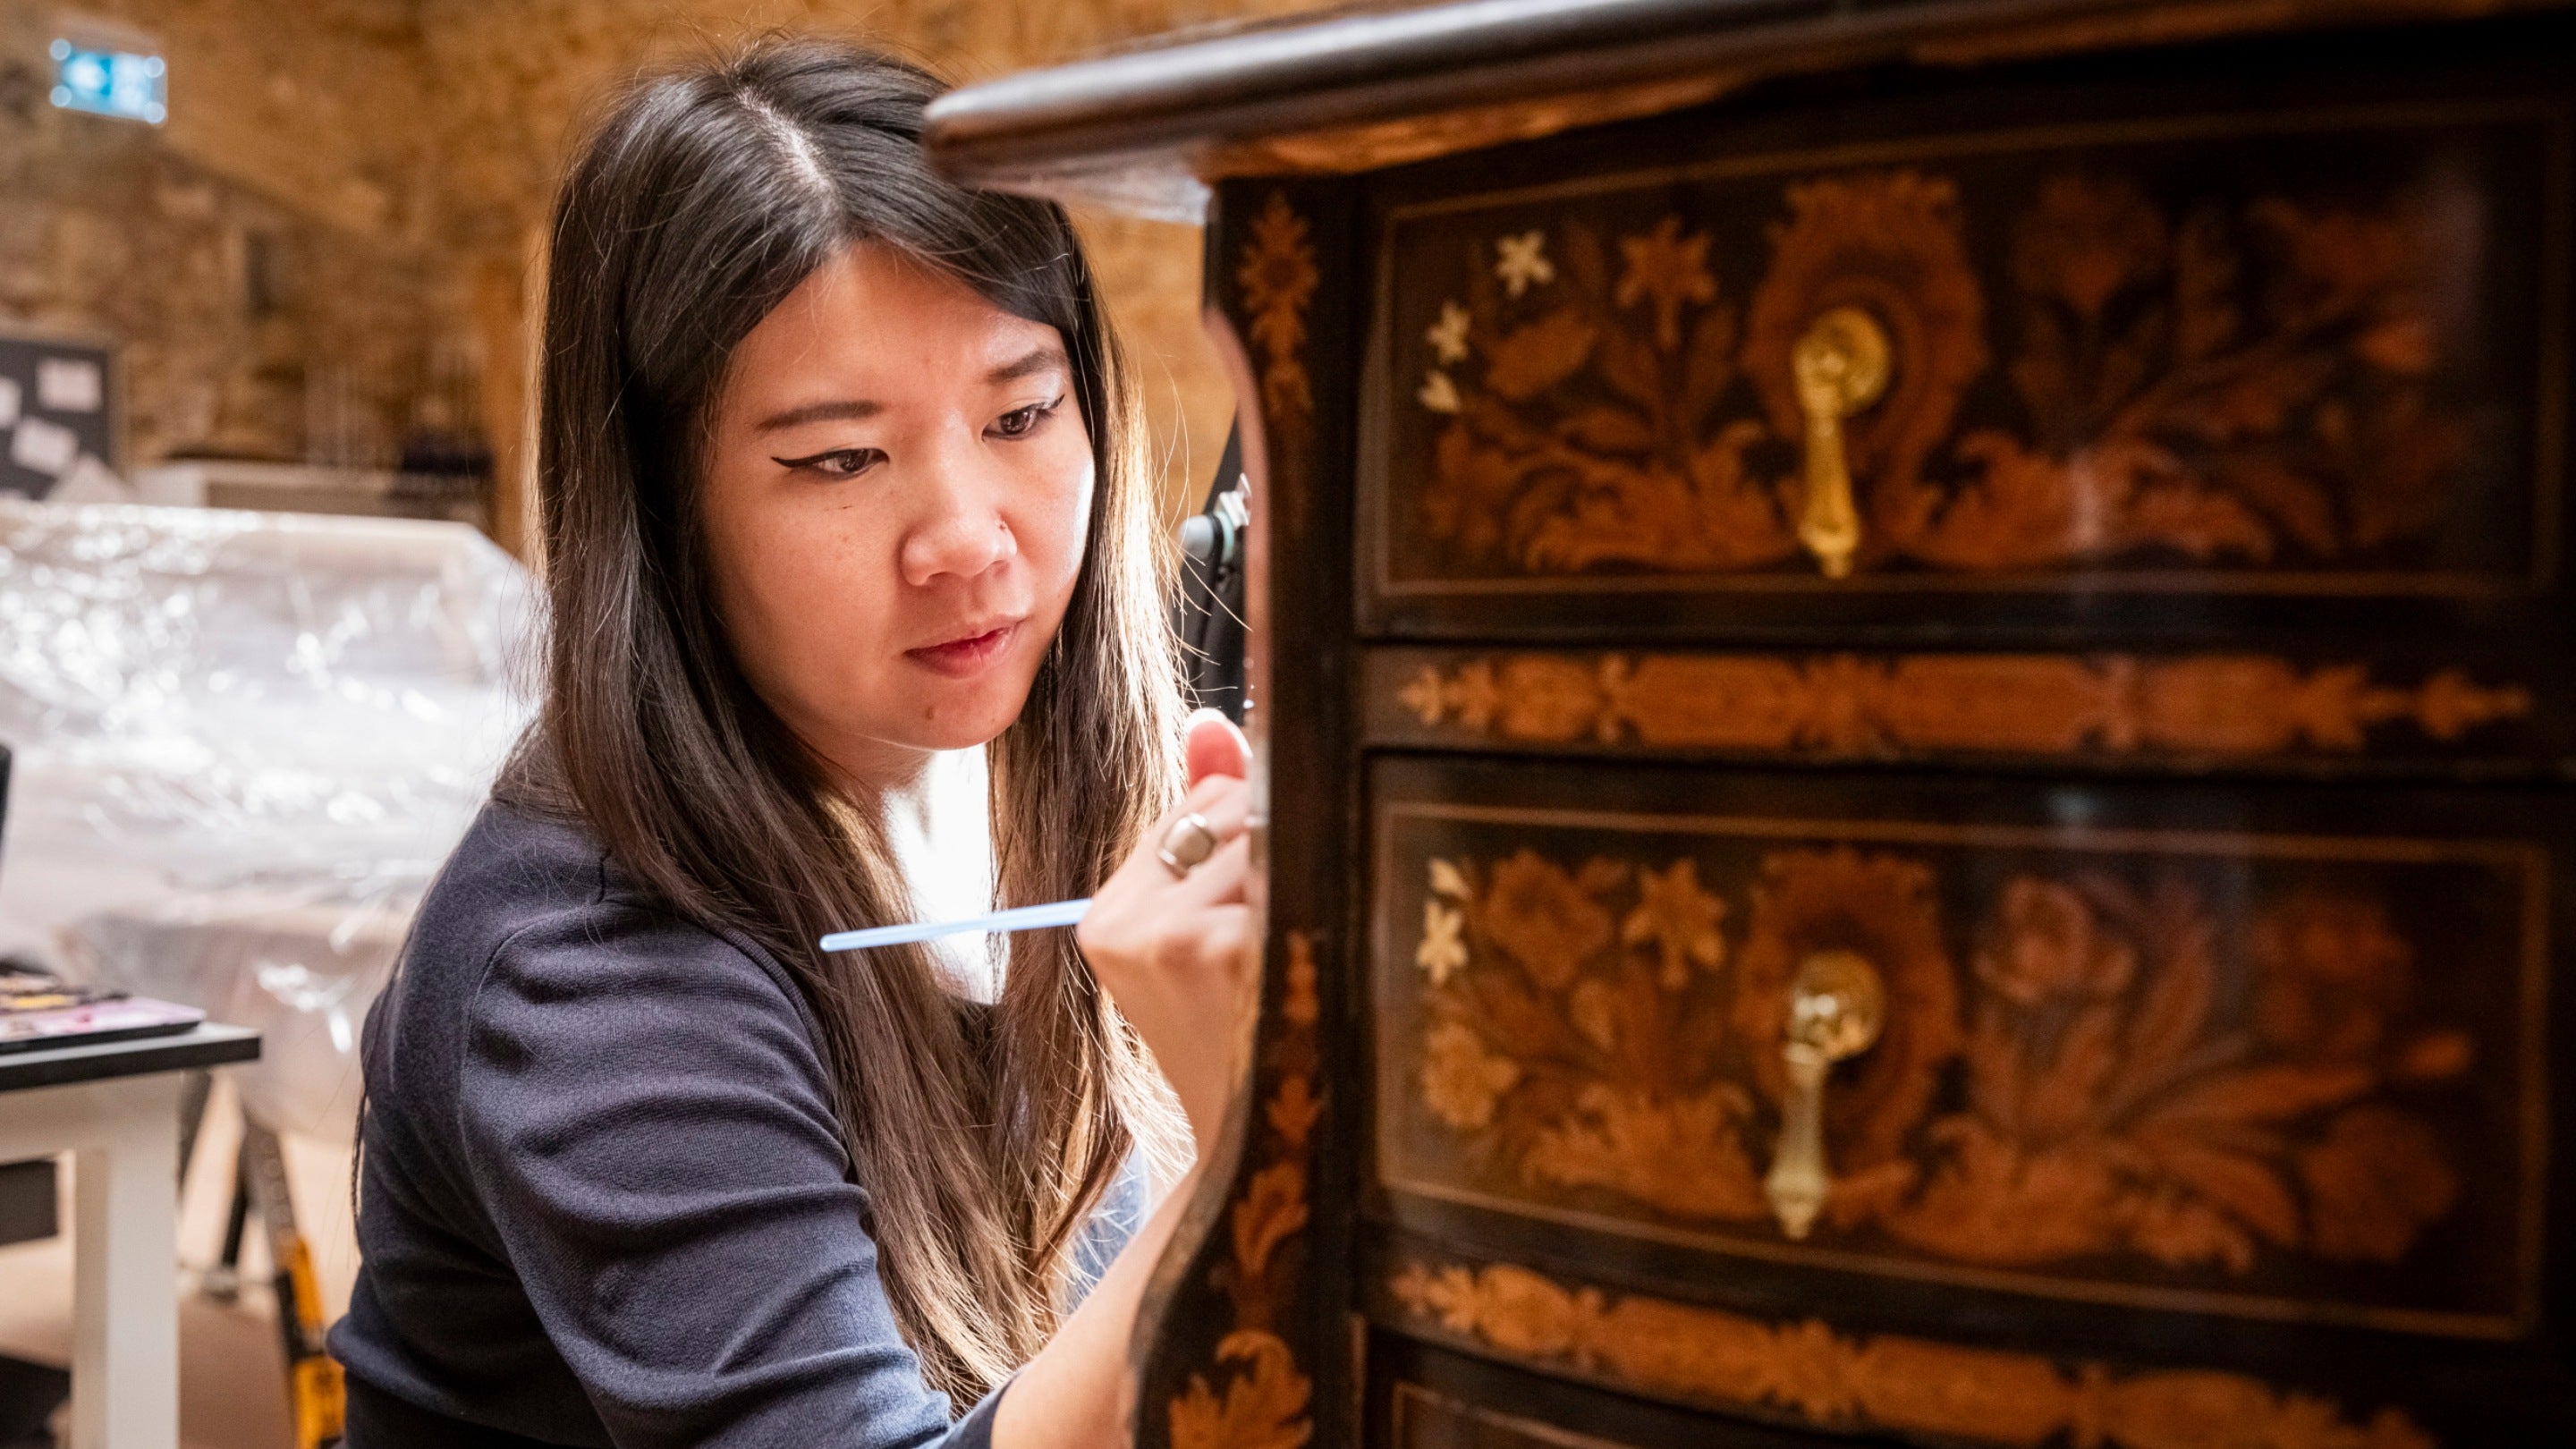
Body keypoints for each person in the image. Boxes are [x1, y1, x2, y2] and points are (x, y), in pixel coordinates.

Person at [328, 35, 1257, 1449]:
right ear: (664, 505)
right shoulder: (588, 974)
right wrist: (1248, 1157)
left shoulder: (1012, 768)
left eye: (1020, 413)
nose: (967, 539)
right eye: (838, 458)